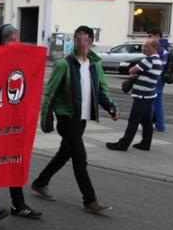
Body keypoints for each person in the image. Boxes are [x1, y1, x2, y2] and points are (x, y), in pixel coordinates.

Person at [31, 25, 118, 214]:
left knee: (64, 154)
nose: (80, 41)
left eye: (84, 38)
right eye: (77, 38)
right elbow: (51, 92)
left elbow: (101, 90)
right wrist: (46, 117)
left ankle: (40, 182)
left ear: (91, 41)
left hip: (82, 118)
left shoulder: (95, 65)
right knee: (80, 158)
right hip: (67, 118)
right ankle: (89, 200)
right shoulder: (64, 64)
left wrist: (111, 107)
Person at [0, 24, 42, 219]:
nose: (14, 42)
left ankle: (18, 204)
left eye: (15, 38)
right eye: (9, 38)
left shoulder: (20, 61)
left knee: (15, 160)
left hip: (10, 123)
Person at [106, 38, 163, 152]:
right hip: (149, 95)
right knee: (147, 121)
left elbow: (131, 70)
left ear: (154, 48)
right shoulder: (158, 60)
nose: (143, 47)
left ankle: (122, 145)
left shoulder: (149, 60)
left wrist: (135, 72)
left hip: (142, 96)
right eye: (144, 46)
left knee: (133, 121)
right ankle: (145, 144)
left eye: (146, 46)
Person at [147, 28, 169, 133]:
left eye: (150, 36)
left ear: (157, 36)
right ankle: (160, 126)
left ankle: (147, 124)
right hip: (161, 78)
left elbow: (155, 64)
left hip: (156, 78)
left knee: (150, 101)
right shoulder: (165, 47)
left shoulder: (159, 48)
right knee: (158, 102)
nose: (149, 38)